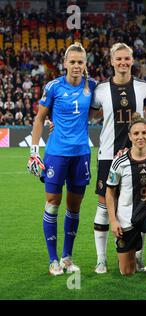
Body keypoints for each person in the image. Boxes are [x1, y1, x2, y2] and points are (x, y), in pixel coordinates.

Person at [27, 42, 97, 275]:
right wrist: (34, 152)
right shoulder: (54, 86)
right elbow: (39, 119)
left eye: (80, 62)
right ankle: (52, 259)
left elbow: (100, 110)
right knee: (53, 204)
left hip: (81, 155)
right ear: (65, 63)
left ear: (85, 64)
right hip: (56, 154)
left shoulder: (92, 86)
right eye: (72, 62)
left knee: (74, 208)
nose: (76, 66)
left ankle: (67, 257)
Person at [90, 43, 146, 274]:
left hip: (136, 154)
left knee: (138, 204)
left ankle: (138, 256)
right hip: (108, 154)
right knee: (104, 206)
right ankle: (101, 259)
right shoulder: (101, 90)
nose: (123, 63)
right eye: (119, 59)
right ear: (112, 61)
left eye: (127, 59)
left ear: (132, 60)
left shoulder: (142, 87)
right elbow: (90, 114)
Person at [105, 113, 146, 282]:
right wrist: (113, 220)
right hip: (126, 217)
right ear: (129, 136)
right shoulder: (119, 162)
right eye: (136, 133)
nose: (140, 137)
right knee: (127, 271)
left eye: (144, 133)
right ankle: (134, 251)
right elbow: (110, 192)